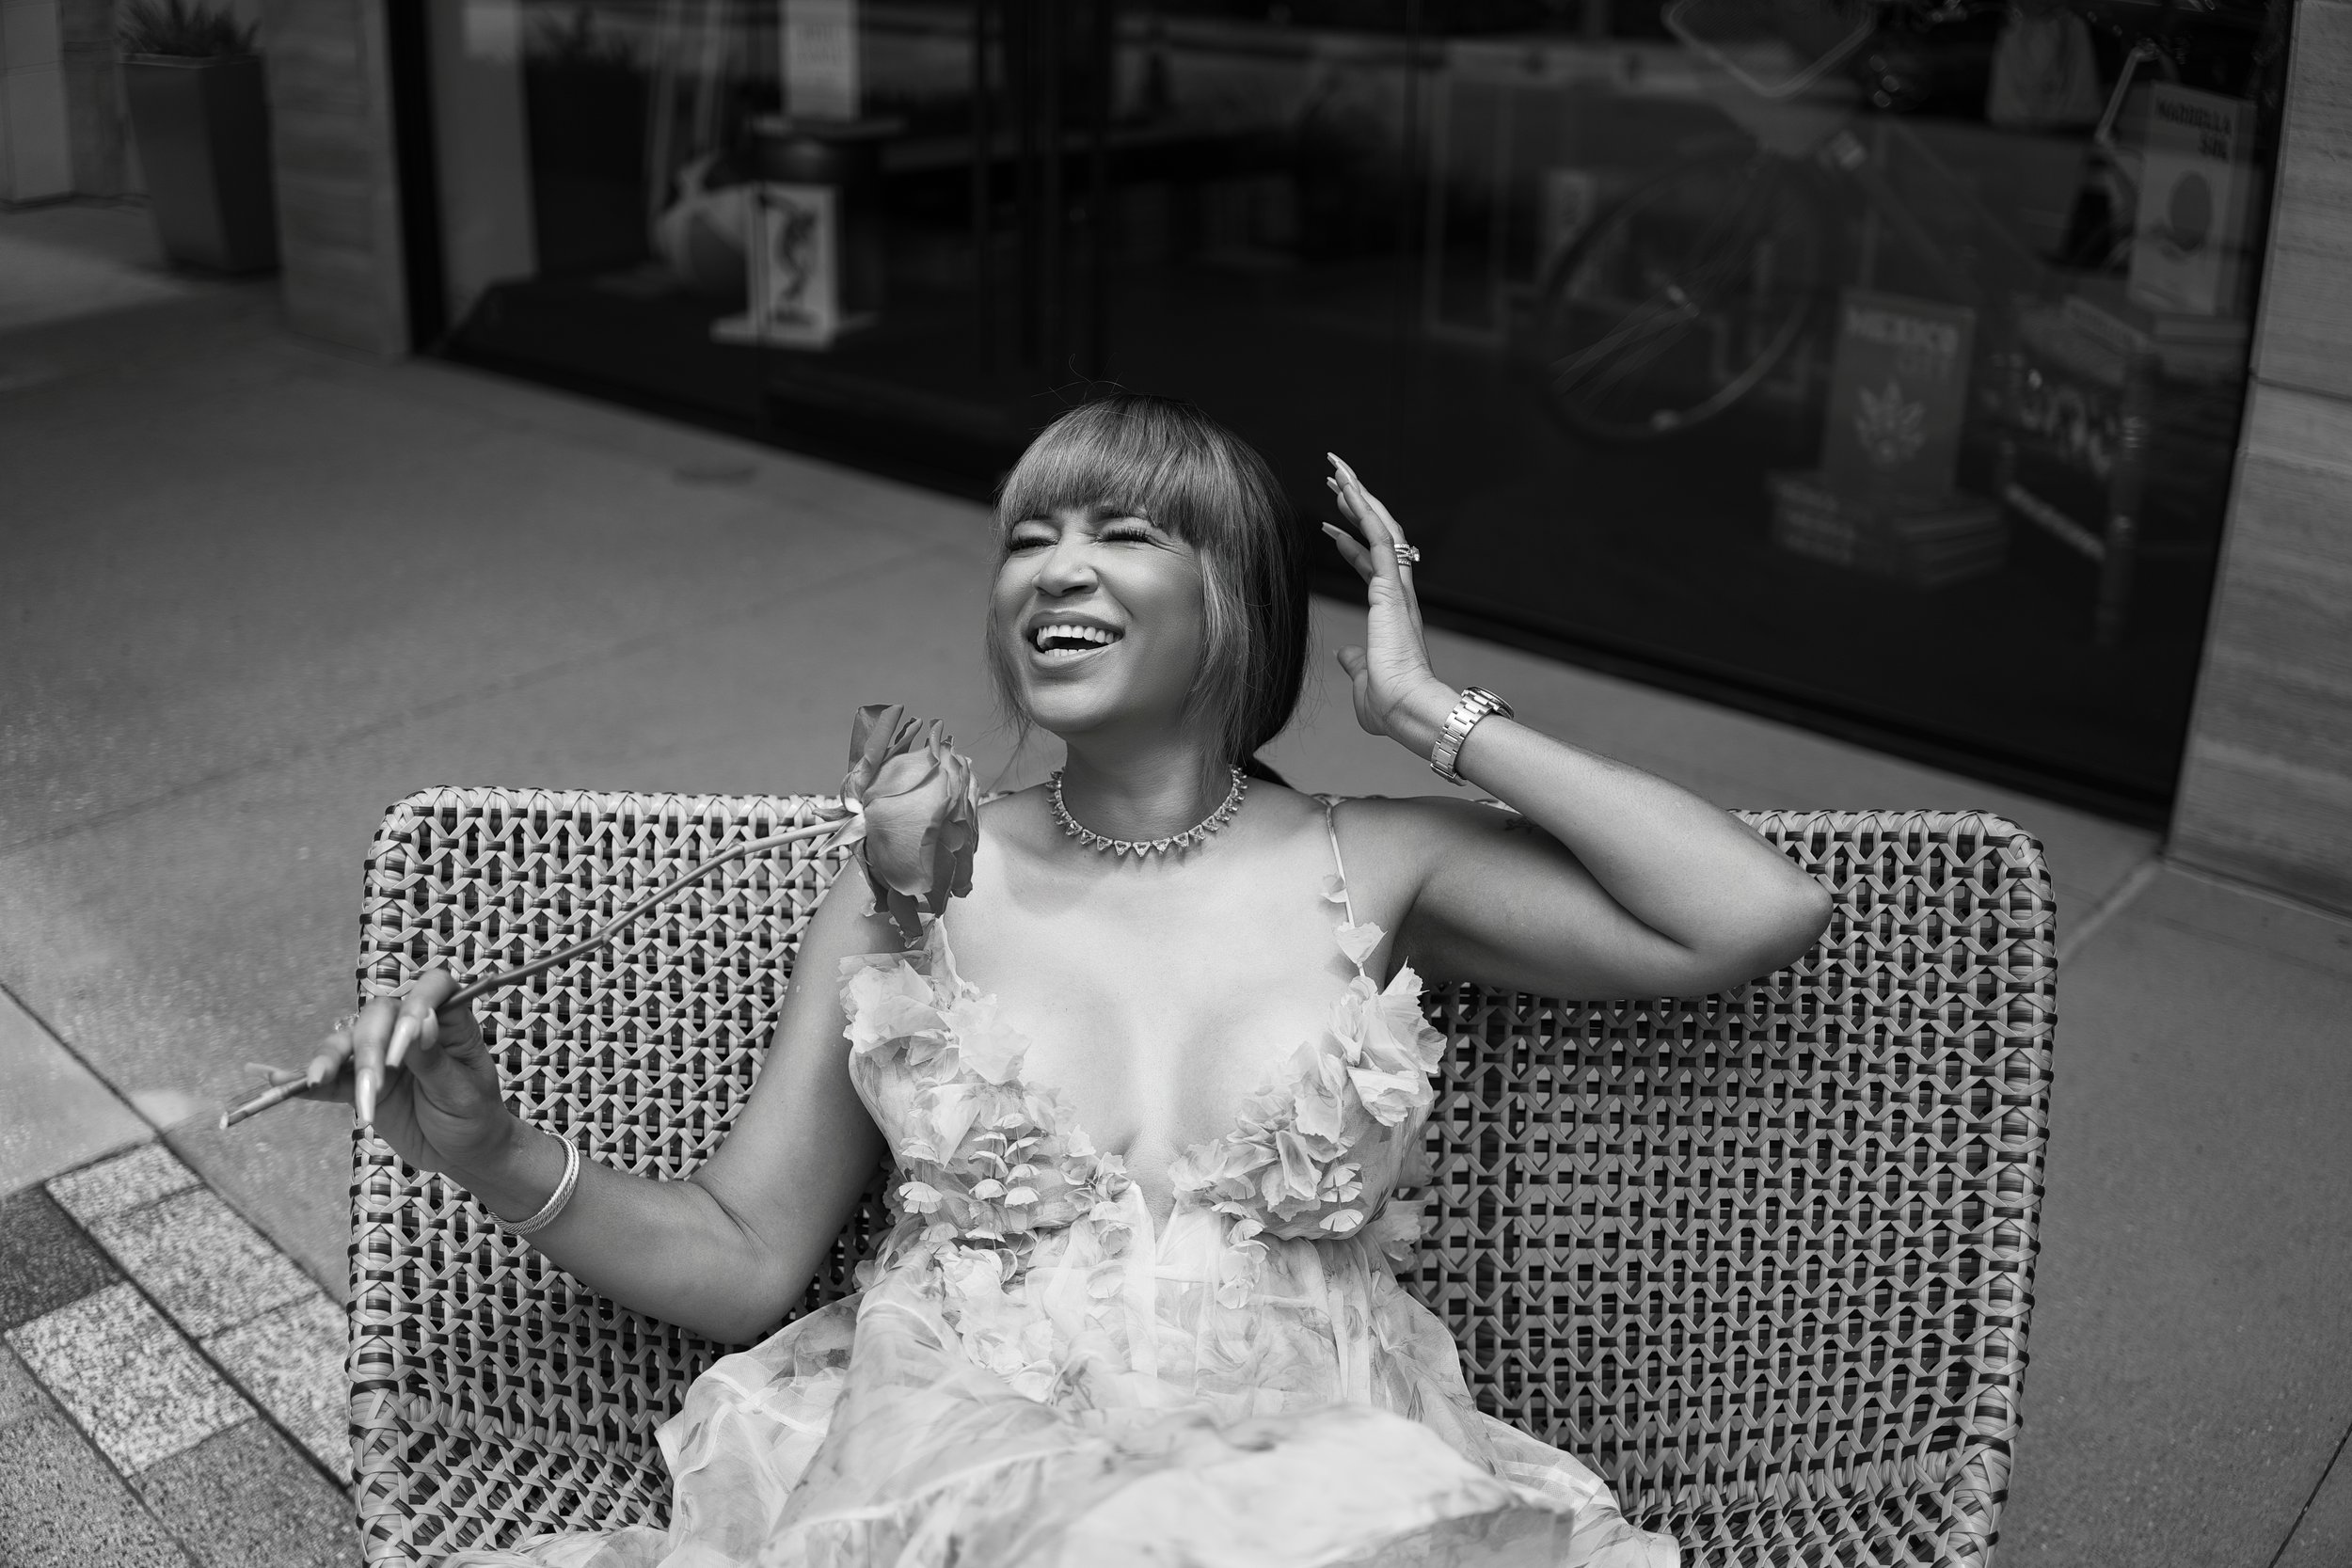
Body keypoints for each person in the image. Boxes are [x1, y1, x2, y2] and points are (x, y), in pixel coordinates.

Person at [292, 395, 1831, 1567]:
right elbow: (748, 1254)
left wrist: (1432, 710)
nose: (1056, 569)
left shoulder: (1384, 865)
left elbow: (1745, 913)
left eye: (1123, 532)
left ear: (1236, 594)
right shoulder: (910, 882)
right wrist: (490, 1152)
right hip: (969, 1471)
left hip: (1320, 1479)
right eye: (1029, 536)